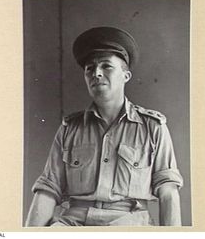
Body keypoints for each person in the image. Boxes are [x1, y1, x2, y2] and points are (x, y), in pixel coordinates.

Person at [25, 26, 183, 226]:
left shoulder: (153, 127)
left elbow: (168, 190)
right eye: (89, 68)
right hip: (74, 223)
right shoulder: (69, 129)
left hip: (128, 222)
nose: (96, 73)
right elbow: (48, 189)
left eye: (106, 66)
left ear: (125, 76)